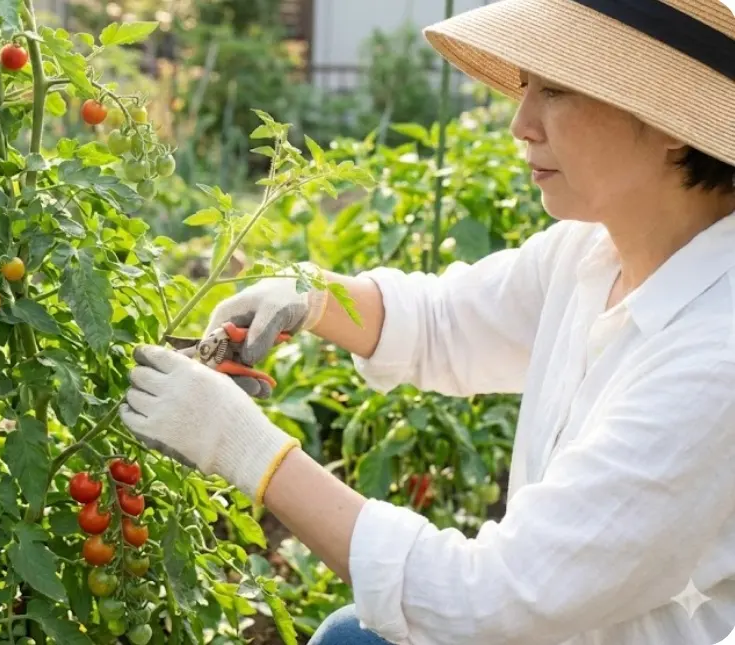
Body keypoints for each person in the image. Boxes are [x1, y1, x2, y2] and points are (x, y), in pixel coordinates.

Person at [117, 1, 735, 643]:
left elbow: (491, 602)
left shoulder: (715, 356)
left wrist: (246, 447)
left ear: (672, 126)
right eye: (528, 87)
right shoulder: (592, 252)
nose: (522, 123)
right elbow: (448, 320)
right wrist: (314, 297)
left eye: (556, 90)